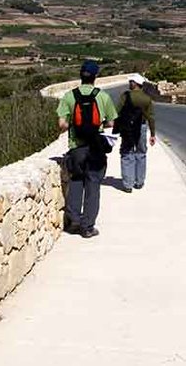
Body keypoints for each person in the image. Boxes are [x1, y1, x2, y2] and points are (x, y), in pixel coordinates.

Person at [56, 61, 118, 238]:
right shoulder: (103, 97)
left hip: (76, 148)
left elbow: (62, 124)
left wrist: (74, 125)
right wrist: (99, 124)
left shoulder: (69, 96)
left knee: (76, 182)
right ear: (95, 77)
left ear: (80, 75)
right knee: (93, 186)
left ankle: (74, 221)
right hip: (95, 148)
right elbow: (112, 122)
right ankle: (88, 227)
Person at [114, 73, 156, 193]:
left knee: (127, 153)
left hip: (127, 128)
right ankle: (139, 182)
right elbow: (151, 117)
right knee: (141, 153)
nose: (129, 83)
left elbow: (117, 112)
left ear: (134, 83)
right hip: (141, 127)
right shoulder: (147, 98)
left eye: (130, 81)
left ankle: (128, 184)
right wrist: (152, 134)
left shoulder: (125, 96)